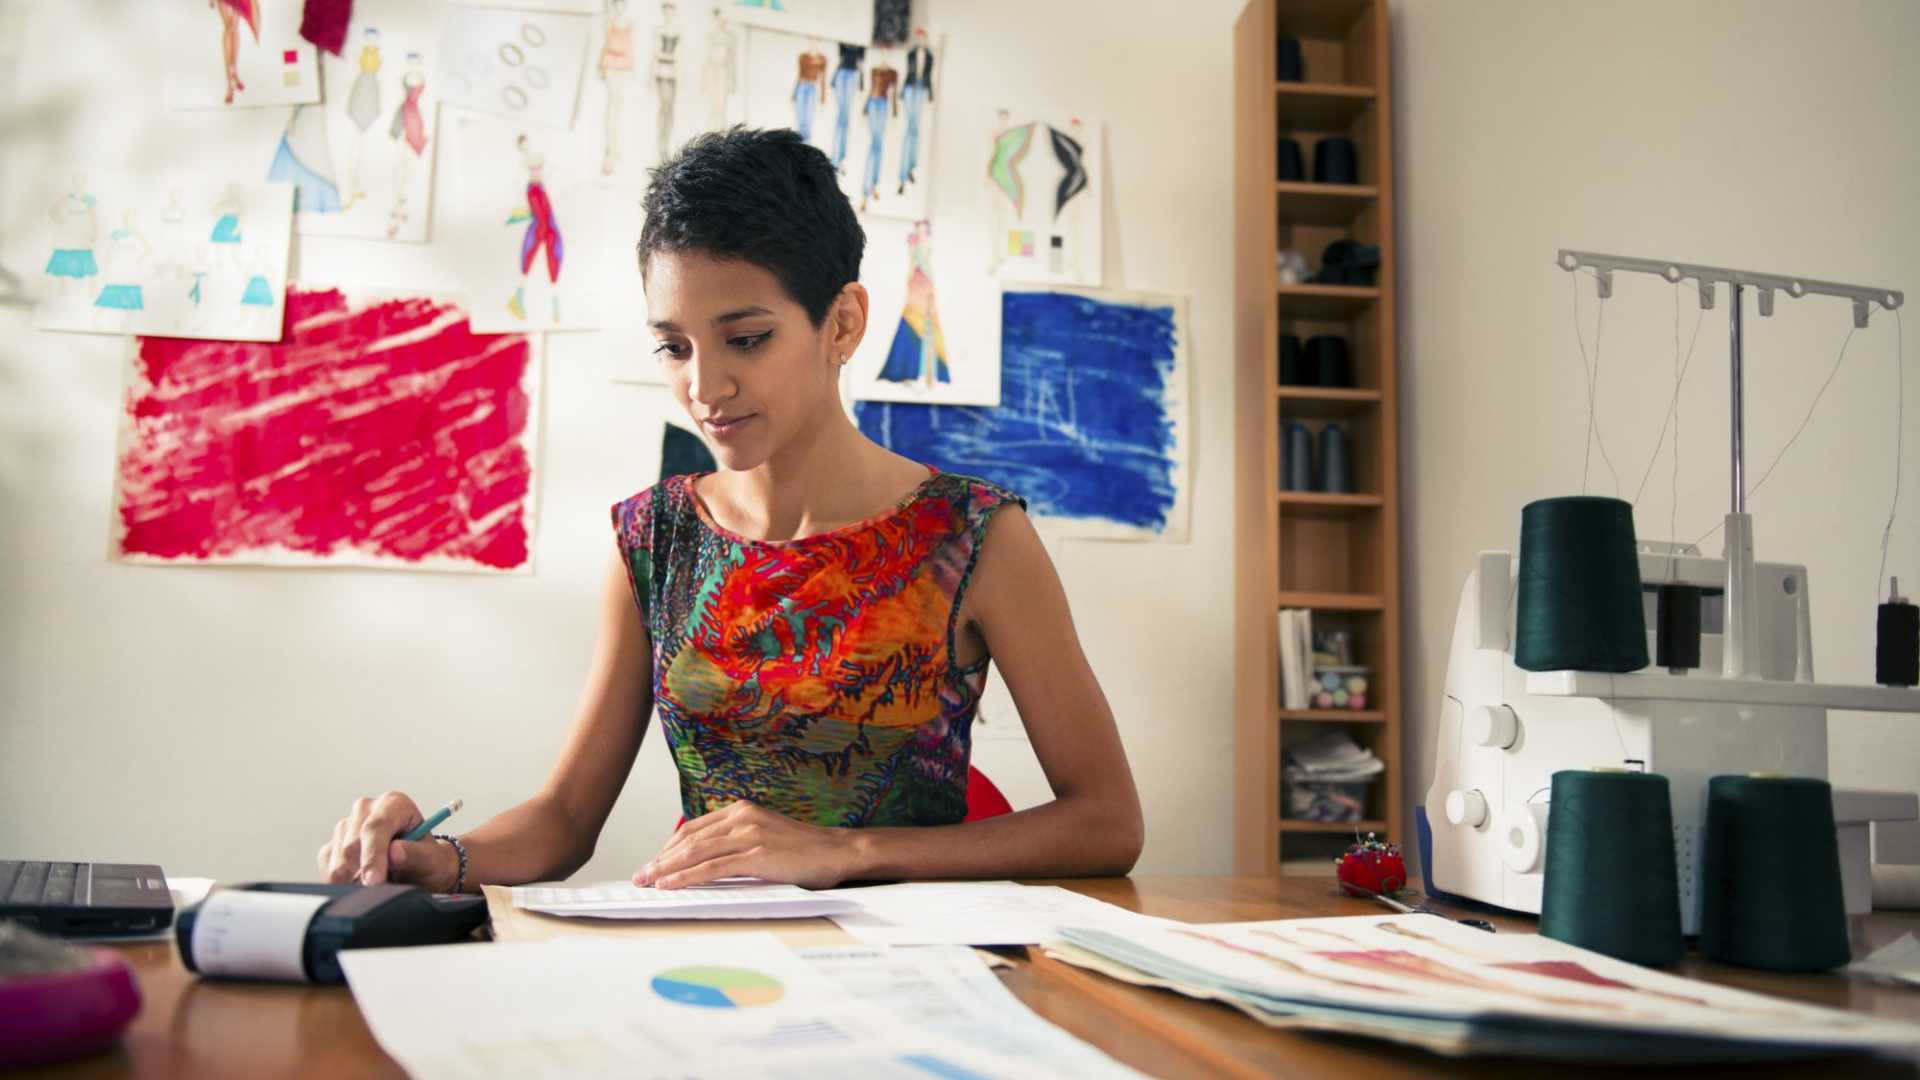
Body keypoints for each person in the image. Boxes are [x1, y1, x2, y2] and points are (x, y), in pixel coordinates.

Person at [316, 127, 1143, 894]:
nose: (704, 389)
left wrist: (846, 851)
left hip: (916, 967)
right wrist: (429, 858)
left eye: (745, 339)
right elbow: (565, 820)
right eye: (675, 347)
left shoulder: (975, 537)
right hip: (713, 951)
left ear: (843, 323)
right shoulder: (653, 539)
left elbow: (1108, 822)